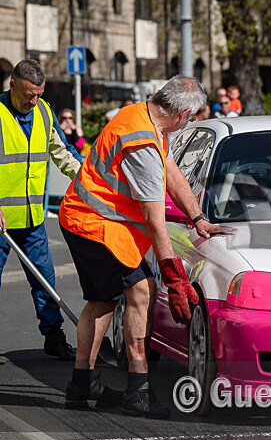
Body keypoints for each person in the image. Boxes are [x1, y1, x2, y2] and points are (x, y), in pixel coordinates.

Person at [59, 75, 231, 417]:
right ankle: (137, 392)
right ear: (182, 116)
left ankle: (81, 385)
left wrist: (197, 216)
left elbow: (172, 172)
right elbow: (155, 219)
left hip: (85, 218)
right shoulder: (143, 145)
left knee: (102, 301)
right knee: (143, 292)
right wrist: (172, 275)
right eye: (192, 118)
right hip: (94, 224)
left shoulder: (141, 116)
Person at [0, 60, 83, 360]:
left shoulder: (44, 112)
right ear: (12, 85)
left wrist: (88, 180)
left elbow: (62, 152)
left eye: (38, 94)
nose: (33, 101)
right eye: (28, 94)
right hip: (2, 223)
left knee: (46, 281)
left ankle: (54, 338)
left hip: (33, 219)